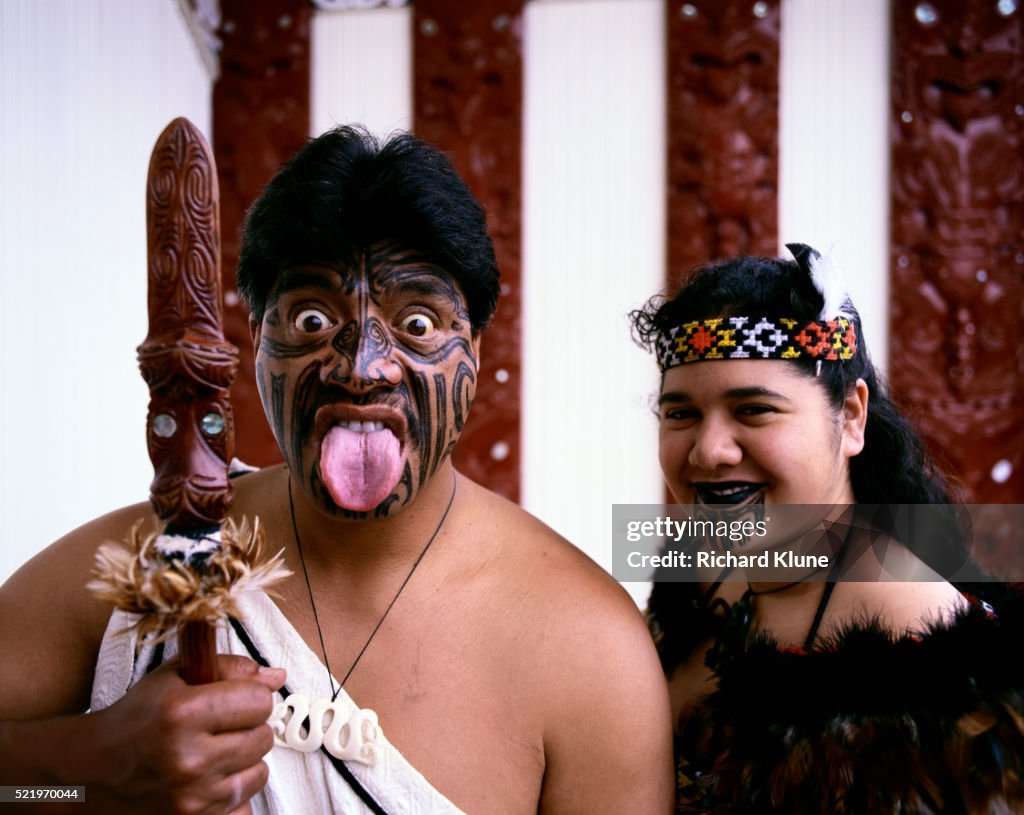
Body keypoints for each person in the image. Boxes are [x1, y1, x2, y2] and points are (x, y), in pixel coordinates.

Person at [0, 126, 674, 814]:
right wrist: (86, 772)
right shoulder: (144, 564)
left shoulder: (588, 650)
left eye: (416, 324)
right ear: (256, 343)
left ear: (474, 349)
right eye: (313, 318)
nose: (361, 367)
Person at [630, 244, 1024, 813]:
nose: (709, 451)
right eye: (681, 414)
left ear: (852, 417)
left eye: (754, 410)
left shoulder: (922, 641)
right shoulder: (692, 572)